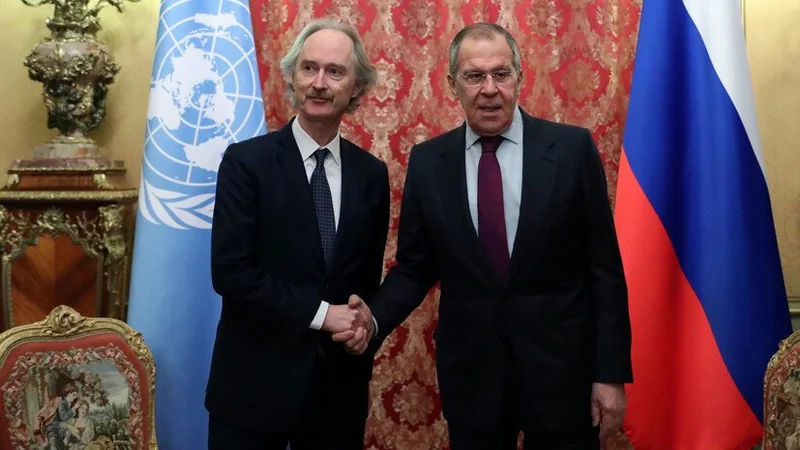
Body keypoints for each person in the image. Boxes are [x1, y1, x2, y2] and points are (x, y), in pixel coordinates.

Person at [338, 22, 632, 450]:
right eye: (474, 76)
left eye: (501, 74)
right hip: (473, 376)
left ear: (519, 77)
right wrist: (373, 317)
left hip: (563, 375)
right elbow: (415, 268)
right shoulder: (429, 162)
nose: (489, 89)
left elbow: (604, 269)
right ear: (452, 85)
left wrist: (610, 374)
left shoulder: (571, 150)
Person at [205, 18, 389, 450]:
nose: (319, 83)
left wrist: (363, 326)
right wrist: (324, 315)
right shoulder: (246, 163)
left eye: (335, 71)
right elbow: (231, 273)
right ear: (292, 76)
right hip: (252, 390)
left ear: (356, 86)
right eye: (309, 68)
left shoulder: (371, 174)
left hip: (336, 397)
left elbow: (365, 282)